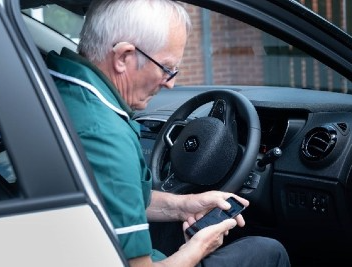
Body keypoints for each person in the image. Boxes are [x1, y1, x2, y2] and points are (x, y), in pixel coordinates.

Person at [44, 0, 290, 266]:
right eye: (166, 68)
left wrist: (186, 205)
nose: (171, 84)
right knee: (269, 251)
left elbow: (121, 199)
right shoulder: (105, 136)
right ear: (124, 57)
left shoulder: (55, 84)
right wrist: (198, 247)